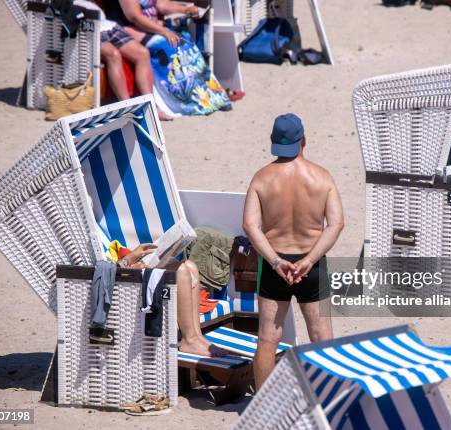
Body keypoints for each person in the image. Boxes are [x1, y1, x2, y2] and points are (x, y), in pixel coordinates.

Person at [242, 113, 344, 389]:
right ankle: (330, 399)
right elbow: (336, 224)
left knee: (267, 338)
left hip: (276, 264)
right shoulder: (322, 178)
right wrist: (310, 260)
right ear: (304, 141)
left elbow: (251, 226)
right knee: (322, 337)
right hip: (312, 265)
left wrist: (275, 262)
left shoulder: (262, 179)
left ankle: (262, 406)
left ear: (273, 142)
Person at [104, 0, 232, 116]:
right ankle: (176, 102)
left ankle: (206, 94)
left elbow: (161, 4)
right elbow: (134, 17)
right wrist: (163, 31)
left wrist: (185, 9)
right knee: (166, 45)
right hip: (127, 28)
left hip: (150, 27)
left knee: (185, 43)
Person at [110, 242, 227, 357]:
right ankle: (189, 340)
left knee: (191, 266)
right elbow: (106, 271)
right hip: (124, 274)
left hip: (134, 264)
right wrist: (129, 260)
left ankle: (197, 336)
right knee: (181, 270)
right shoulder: (92, 236)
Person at [75, 0, 172, 120]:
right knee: (113, 55)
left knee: (143, 54)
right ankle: (127, 107)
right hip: (84, 24)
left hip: (105, 22)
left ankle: (151, 107)